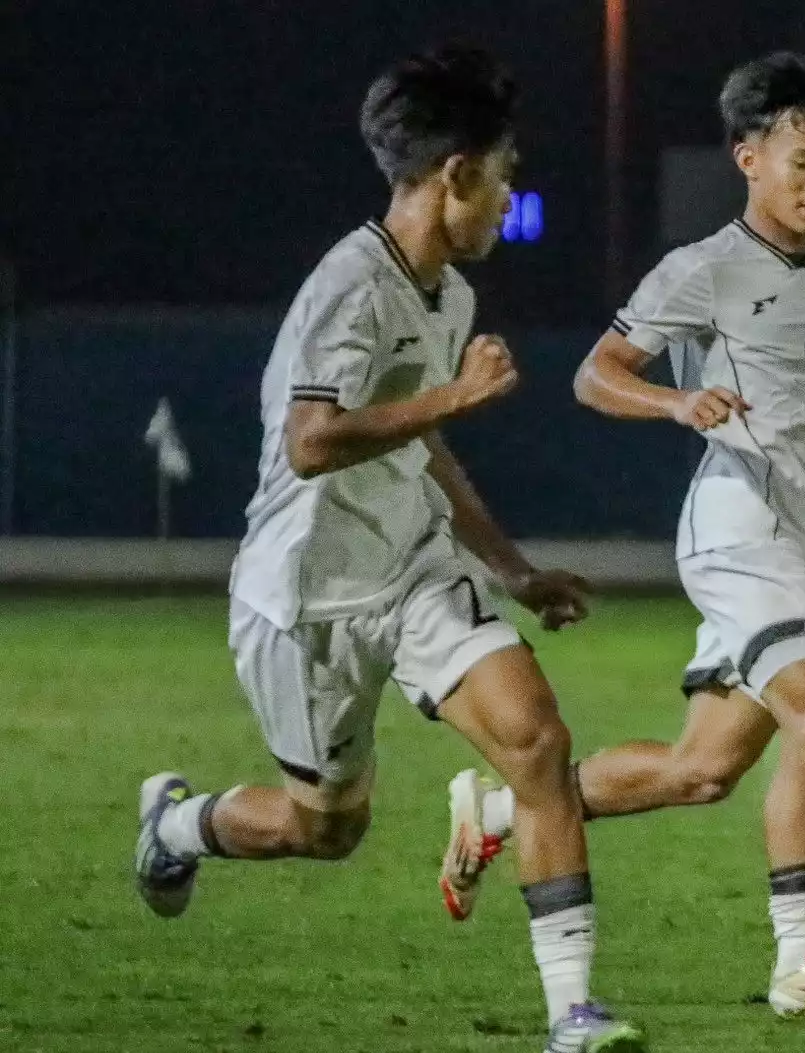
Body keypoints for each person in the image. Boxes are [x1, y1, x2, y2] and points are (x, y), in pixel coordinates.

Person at [440, 51, 805, 1016]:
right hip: (736, 529)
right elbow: (595, 372)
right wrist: (674, 402)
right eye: (801, 161)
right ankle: (801, 955)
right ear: (749, 159)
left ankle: (496, 809)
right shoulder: (705, 268)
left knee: (702, 769)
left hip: (799, 538)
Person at [130, 45, 643, 1052]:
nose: (509, 200)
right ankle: (177, 826)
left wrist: (511, 568)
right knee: (325, 827)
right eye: (502, 178)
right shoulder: (351, 288)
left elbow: (424, 442)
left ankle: (573, 1013)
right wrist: (457, 392)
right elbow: (312, 443)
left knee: (536, 743)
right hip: (306, 598)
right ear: (455, 175)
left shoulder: (447, 294)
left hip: (413, 573)